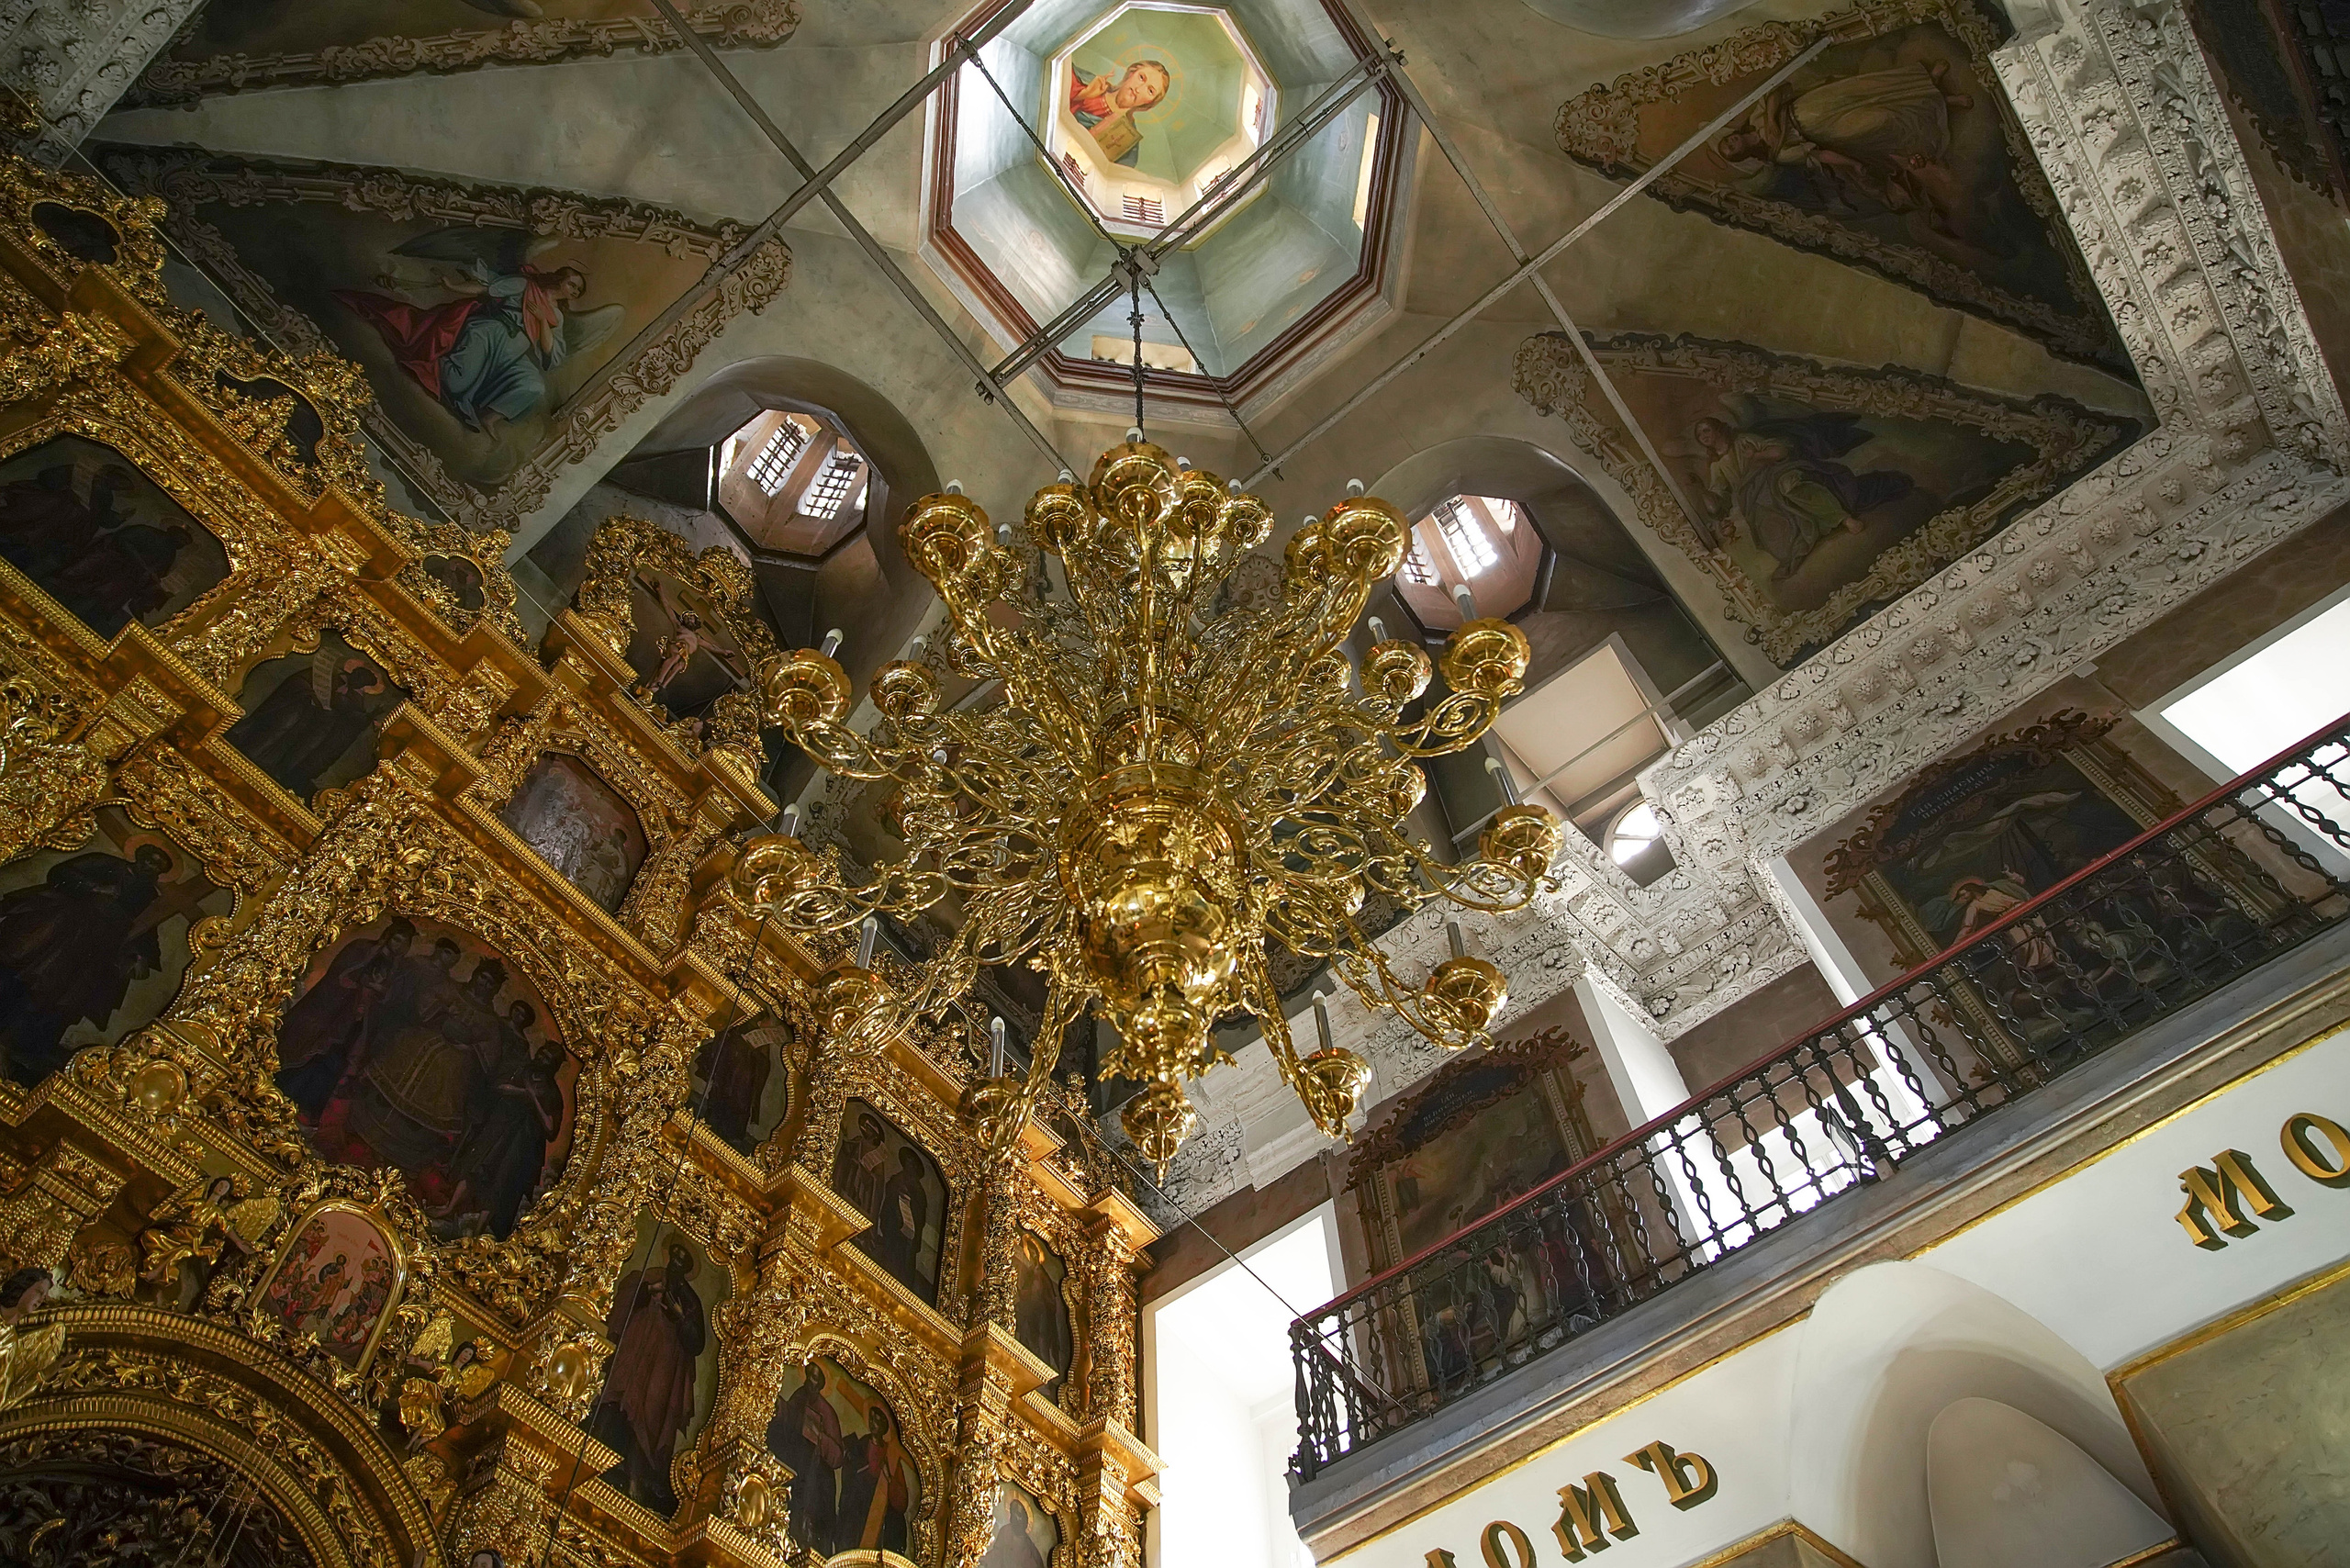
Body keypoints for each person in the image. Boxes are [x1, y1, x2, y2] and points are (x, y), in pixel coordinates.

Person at [0, 842, 176, 1086]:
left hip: (98, 947)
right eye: (150, 860)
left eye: (159, 866)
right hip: (64, 926)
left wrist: (141, 956)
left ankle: (16, 1048)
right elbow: (61, 873)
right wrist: (95, 887)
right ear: (139, 856)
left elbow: (147, 931)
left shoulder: (148, 895)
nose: (152, 867)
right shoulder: (108, 864)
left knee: (63, 997)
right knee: (25, 969)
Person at [1693, 411, 1913, 582]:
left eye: (1706, 430)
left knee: (1791, 487)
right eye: (1700, 435)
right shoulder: (1717, 466)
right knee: (1774, 536)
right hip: (1756, 499)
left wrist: (1757, 455)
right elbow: (1715, 505)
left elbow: (1781, 452)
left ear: (1718, 428)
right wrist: (1700, 489)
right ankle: (1804, 540)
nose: (1704, 437)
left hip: (1775, 474)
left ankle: (1843, 518)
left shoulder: (1744, 442)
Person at [591, 1242, 708, 1512]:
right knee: (618, 1397)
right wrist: (648, 1292)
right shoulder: (652, 1275)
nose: (675, 1264)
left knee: (650, 1415)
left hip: (665, 1365)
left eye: (682, 1261)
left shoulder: (690, 1299)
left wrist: (680, 1318)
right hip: (635, 1351)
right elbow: (628, 1297)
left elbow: (696, 1341)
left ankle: (637, 1478)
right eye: (674, 1257)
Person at [275, 919, 415, 1118]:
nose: (400, 947)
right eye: (397, 940)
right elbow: (340, 974)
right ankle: (284, 1089)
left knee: (335, 1063)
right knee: (313, 1051)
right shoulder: (362, 949)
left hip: (358, 1024)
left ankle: (308, 1107)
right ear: (388, 936)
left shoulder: (398, 970)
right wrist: (362, 985)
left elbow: (392, 1000)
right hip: (335, 1013)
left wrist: (380, 992)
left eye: (405, 943)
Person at [767, 1361, 846, 1552]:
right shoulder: (799, 1397)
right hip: (796, 1463)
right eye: (809, 1375)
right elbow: (790, 1418)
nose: (810, 1382)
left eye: (815, 1378)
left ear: (820, 1384)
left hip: (817, 1475)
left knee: (809, 1517)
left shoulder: (827, 1412)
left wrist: (818, 1436)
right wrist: (781, 1408)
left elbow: (837, 1457)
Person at [840, 1400, 913, 1553]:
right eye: (872, 1418)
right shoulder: (860, 1446)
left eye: (879, 1420)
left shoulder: (891, 1456)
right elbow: (848, 1477)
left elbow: (901, 1502)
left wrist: (888, 1477)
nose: (874, 1423)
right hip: (859, 1508)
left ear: (885, 1426)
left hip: (881, 1515)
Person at [1068, 59, 1169, 167]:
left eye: (1150, 91)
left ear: (1149, 103)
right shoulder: (1090, 82)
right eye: (1141, 78)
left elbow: (1110, 173)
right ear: (1131, 73)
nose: (1139, 89)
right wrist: (1082, 94)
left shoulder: (1128, 138)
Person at [878, 1146, 934, 1295]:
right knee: (892, 1254)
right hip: (894, 1224)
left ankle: (904, 1290)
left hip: (911, 1229)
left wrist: (910, 1203)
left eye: (913, 1164)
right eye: (908, 1162)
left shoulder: (919, 1189)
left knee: (907, 1261)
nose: (910, 1166)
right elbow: (889, 1200)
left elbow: (920, 1213)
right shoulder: (896, 1180)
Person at [979, 1493, 1050, 1568]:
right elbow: (997, 1553)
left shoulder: (1029, 1545)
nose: (1018, 1518)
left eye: (1021, 1515)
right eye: (1015, 1513)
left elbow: (1037, 1563)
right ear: (1011, 1516)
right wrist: (980, 1558)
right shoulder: (1005, 1531)